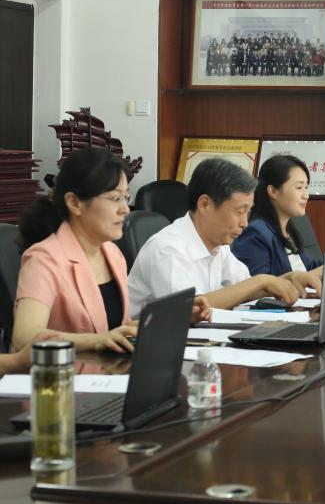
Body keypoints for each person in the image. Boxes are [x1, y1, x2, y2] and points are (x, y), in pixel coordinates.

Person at [12, 148, 208, 353]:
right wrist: (95, 341)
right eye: (115, 198)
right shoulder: (44, 259)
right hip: (64, 371)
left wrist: (176, 317)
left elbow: (116, 328)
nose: (125, 209)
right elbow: (24, 337)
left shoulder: (112, 253)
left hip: (109, 368)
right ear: (75, 203)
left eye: (126, 197)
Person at [127, 158, 321, 315]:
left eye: (248, 212)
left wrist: (289, 278)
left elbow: (245, 289)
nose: (245, 223)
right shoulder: (168, 249)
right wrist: (261, 280)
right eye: (239, 212)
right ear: (205, 204)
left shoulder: (219, 245)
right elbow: (190, 309)